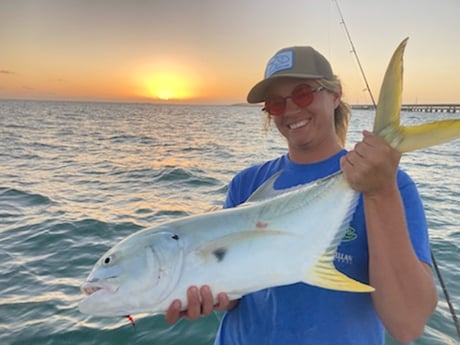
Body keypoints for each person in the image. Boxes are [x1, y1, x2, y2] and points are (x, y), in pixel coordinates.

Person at [165, 46, 438, 344]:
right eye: (276, 103)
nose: (292, 109)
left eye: (303, 93)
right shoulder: (247, 183)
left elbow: (407, 325)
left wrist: (381, 191)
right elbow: (236, 293)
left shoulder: (391, 185)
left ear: (335, 95)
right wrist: (206, 294)